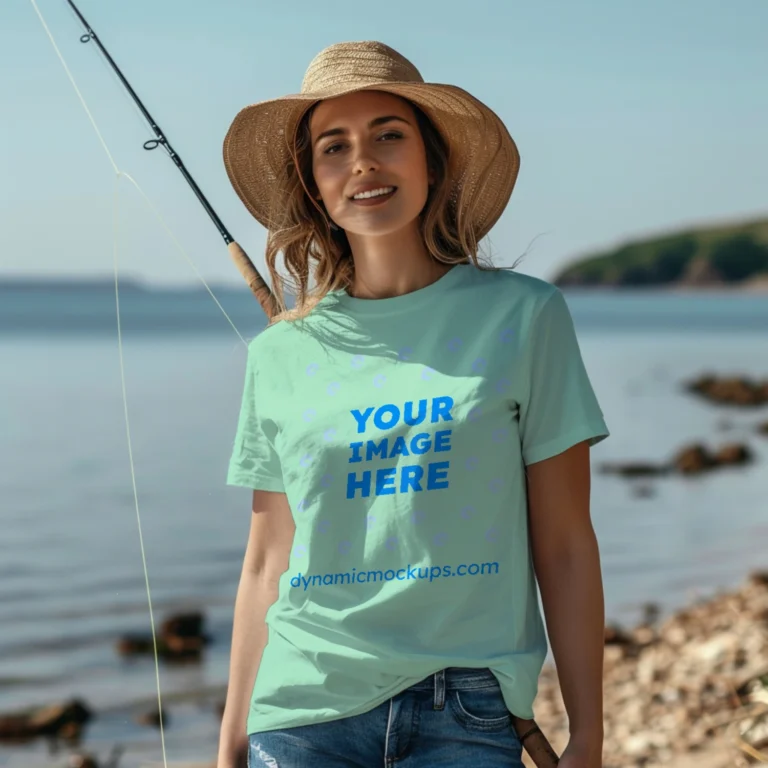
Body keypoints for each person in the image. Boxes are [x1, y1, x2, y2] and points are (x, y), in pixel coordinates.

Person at [217, 41, 609, 768]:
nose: (363, 161)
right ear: (315, 184)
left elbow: (564, 543)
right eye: (335, 147)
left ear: (432, 159)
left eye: (388, 135)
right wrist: (230, 742)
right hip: (302, 709)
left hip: (466, 709)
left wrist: (588, 731)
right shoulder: (278, 354)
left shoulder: (524, 318)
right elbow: (266, 564)